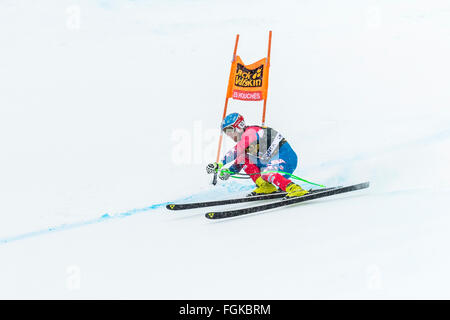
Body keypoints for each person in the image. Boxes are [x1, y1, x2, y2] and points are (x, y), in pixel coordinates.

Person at [206, 112, 308, 197]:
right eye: (226, 132)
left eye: (229, 131)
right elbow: (239, 161)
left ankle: (294, 188)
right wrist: (229, 171)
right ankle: (266, 186)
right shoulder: (244, 140)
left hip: (286, 158)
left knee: (267, 172)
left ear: (238, 127)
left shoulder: (250, 132)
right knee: (243, 157)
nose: (229, 135)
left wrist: (219, 164)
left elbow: (236, 150)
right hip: (271, 161)